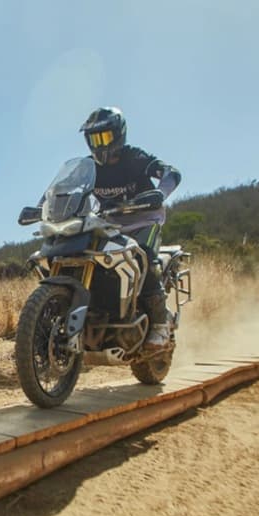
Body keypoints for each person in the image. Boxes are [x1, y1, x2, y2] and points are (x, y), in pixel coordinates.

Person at [79, 106, 182, 350]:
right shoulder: (88, 167)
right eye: (93, 138)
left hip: (144, 218)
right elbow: (66, 188)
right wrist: (42, 206)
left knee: (142, 255)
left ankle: (160, 322)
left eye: (103, 137)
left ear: (118, 135)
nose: (98, 144)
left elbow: (171, 172)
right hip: (110, 222)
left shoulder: (134, 158)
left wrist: (161, 191)